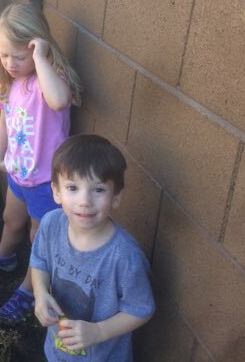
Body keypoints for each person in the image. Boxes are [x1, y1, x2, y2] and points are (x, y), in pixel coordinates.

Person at [0, 3, 82, 323]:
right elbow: (5, 119)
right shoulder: (8, 82)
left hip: (46, 182)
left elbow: (59, 101)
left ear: (37, 46)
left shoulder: (50, 79)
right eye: (4, 54)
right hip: (19, 174)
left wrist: (41, 59)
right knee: (11, 219)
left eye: (19, 56)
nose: (10, 63)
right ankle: (4, 256)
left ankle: (29, 290)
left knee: (39, 238)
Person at [30, 134, 155, 361]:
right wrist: (40, 293)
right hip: (57, 351)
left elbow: (140, 309)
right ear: (56, 191)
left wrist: (99, 331)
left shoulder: (124, 255)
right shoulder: (51, 224)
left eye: (98, 190)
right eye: (72, 187)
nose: (84, 201)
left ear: (116, 197)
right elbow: (40, 262)